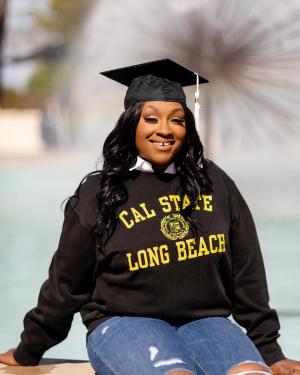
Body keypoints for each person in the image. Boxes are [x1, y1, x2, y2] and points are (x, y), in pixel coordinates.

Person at [0, 59, 299, 375]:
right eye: (151, 118)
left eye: (177, 120)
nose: (165, 130)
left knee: (252, 373)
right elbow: (66, 284)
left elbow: (246, 271)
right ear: (131, 124)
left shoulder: (213, 182)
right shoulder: (100, 191)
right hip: (125, 323)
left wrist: (270, 352)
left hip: (206, 322)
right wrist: (30, 348)